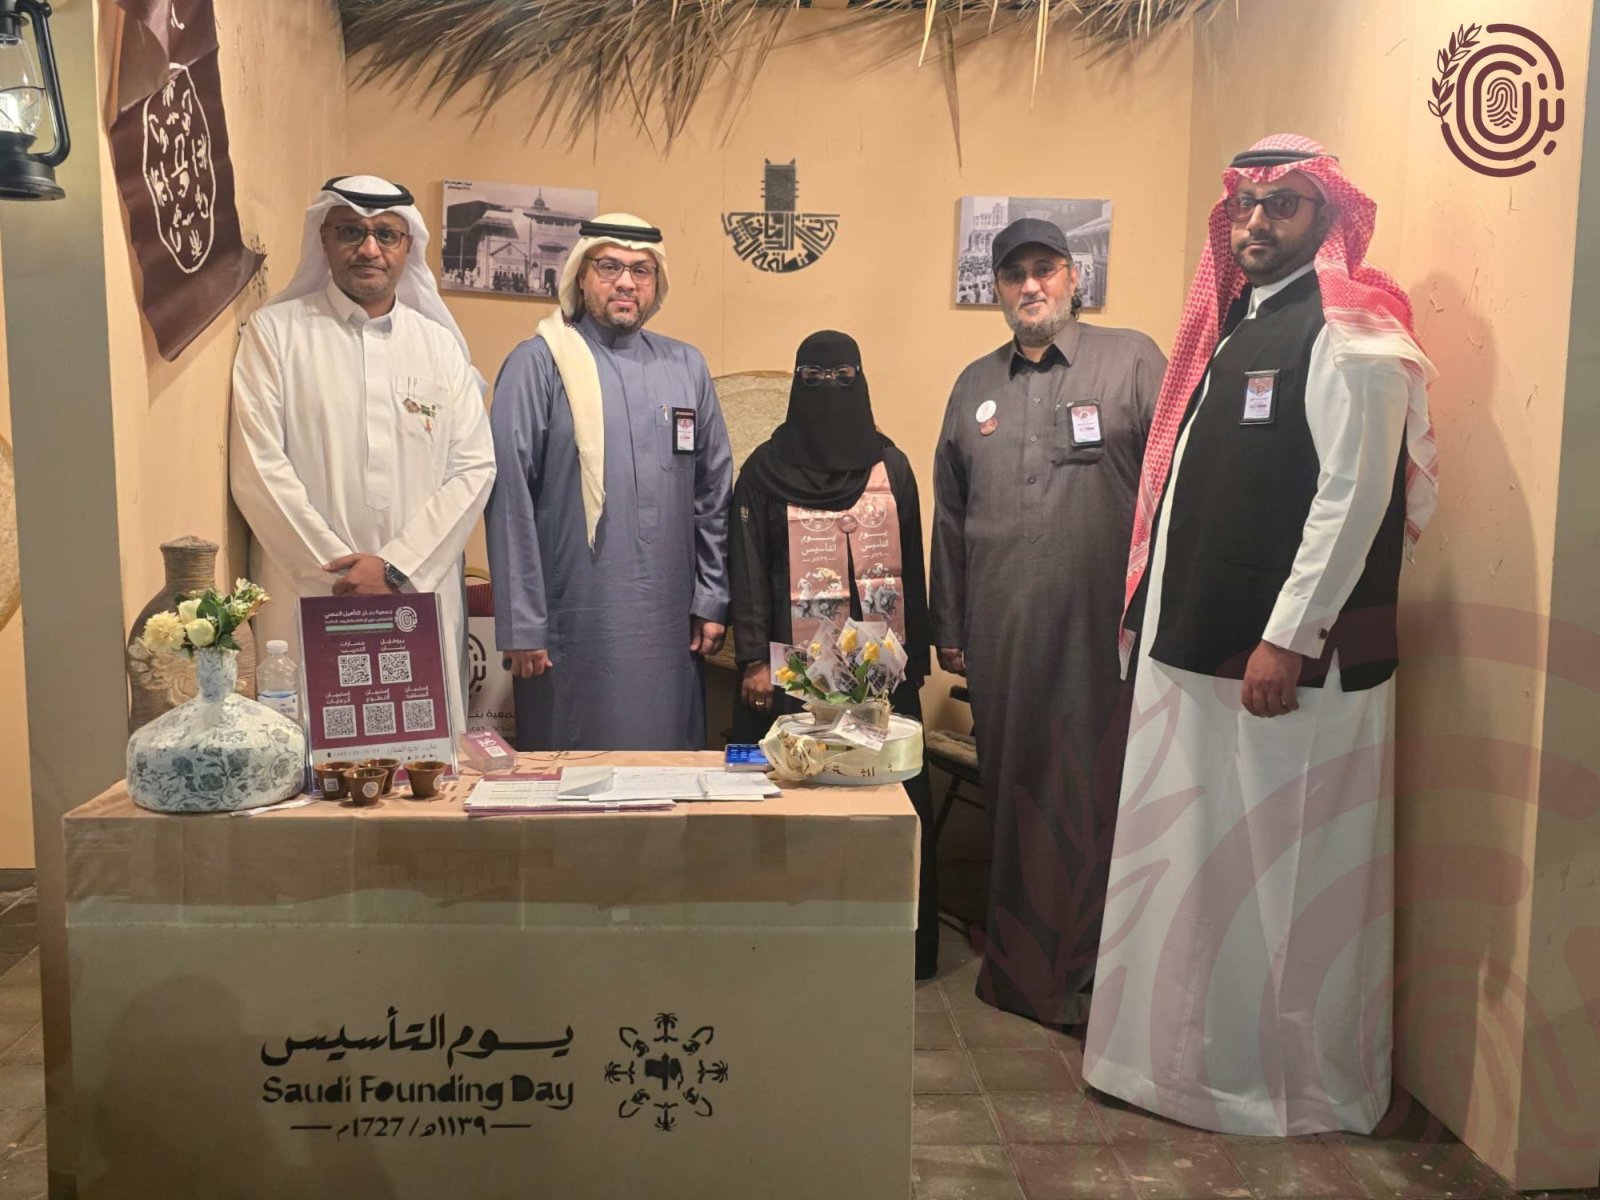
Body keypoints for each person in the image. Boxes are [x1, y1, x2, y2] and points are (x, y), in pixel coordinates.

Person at [1083, 134, 1440, 1136]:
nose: (1255, 222)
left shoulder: (1356, 332)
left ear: (1329, 216)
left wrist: (1288, 637)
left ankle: (1279, 1091)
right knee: (1196, 876)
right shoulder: (1241, 326)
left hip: (1285, 674)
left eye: (1282, 204)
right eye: (1245, 204)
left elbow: (1354, 498)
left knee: (1280, 880)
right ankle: (1175, 1068)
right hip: (1199, 658)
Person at [930, 218, 1166, 1024]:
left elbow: (1172, 493)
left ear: (1074, 277)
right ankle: (1022, 969)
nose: (1030, 286)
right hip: (1002, 635)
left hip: (1106, 635)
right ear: (996, 290)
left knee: (1094, 792)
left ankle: (1097, 976)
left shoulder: (1131, 361)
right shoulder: (974, 385)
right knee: (1018, 793)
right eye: (1013, 275)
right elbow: (950, 516)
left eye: (1045, 269)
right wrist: (950, 625)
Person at [230, 174, 495, 740]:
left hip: (415, 591)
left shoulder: (440, 347)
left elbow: (474, 468)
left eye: (386, 234)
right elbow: (257, 467)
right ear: (323, 239)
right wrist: (341, 574)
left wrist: (396, 568)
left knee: (419, 760)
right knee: (310, 754)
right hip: (309, 590)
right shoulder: (275, 334)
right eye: (351, 231)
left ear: (408, 246)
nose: (369, 248)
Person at [729, 330, 938, 978]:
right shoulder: (763, 471)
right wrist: (752, 661)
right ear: (797, 385)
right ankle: (790, 946)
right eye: (815, 380)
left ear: (862, 382)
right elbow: (747, 566)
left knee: (884, 804)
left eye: (842, 378)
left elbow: (912, 561)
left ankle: (894, 948)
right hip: (790, 675)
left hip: (880, 678)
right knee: (798, 804)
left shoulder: (891, 466)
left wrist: (916, 658)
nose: (829, 391)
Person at [486, 214, 733, 750]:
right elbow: (509, 499)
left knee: (666, 777)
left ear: (656, 283)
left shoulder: (686, 366)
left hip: (669, 627)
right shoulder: (539, 364)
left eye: (641, 270)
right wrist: (523, 624)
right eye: (610, 267)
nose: (626, 282)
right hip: (570, 625)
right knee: (573, 777)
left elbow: (713, 493)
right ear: (581, 276)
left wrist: (712, 596)